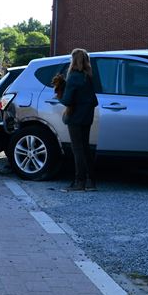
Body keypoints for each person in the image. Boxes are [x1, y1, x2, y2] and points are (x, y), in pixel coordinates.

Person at [59, 48, 99, 192]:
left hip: (75, 116)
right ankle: (91, 181)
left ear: (73, 60)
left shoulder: (74, 76)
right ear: (86, 60)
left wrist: (60, 94)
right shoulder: (88, 76)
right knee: (86, 148)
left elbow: (67, 100)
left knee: (78, 150)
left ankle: (79, 182)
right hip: (87, 116)